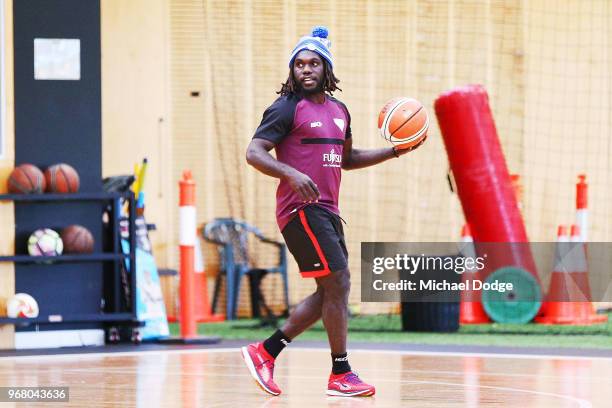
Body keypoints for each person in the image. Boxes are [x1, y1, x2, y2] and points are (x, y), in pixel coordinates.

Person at [241, 26, 424, 397]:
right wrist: (290, 173)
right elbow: (254, 152)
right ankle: (340, 372)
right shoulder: (285, 107)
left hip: (328, 211)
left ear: (327, 69)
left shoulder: (340, 111)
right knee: (338, 283)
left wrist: (394, 151)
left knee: (331, 290)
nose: (305, 70)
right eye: (299, 64)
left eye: (313, 63)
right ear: (292, 71)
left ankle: (265, 351)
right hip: (300, 210)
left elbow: (347, 159)